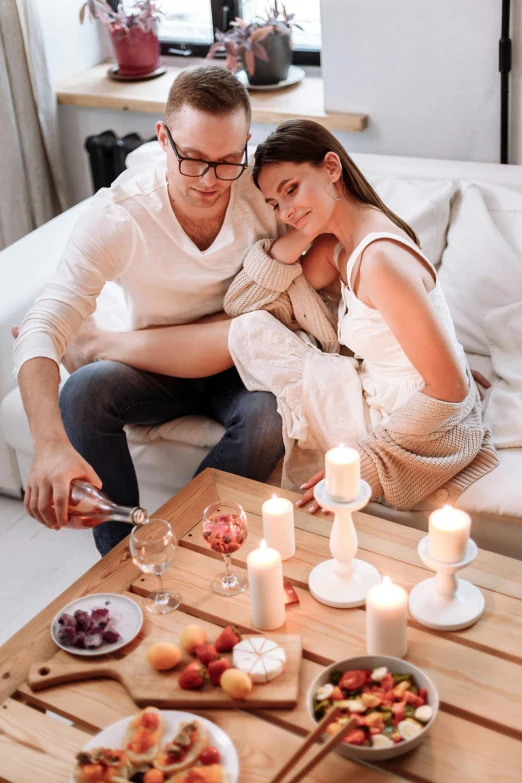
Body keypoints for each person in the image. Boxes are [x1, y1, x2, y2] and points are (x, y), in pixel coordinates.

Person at [61, 120, 498, 514]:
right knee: (255, 323)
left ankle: (102, 346)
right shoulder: (337, 246)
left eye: (292, 189)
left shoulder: (379, 258)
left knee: (254, 332)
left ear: (332, 167)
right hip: (375, 388)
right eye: (274, 203)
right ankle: (109, 348)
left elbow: (447, 387)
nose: (285, 211)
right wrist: (298, 233)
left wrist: (366, 463)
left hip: (396, 416)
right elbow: (248, 300)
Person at [13, 65, 285, 556]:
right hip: (155, 366)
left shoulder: (265, 194)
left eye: (228, 160)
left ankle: (176, 548)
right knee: (83, 392)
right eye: (193, 159)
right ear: (163, 138)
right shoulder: (120, 215)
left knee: (270, 418)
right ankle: (120, 559)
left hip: (240, 368)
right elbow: (40, 326)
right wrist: (49, 445)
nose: (209, 181)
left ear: (248, 143)